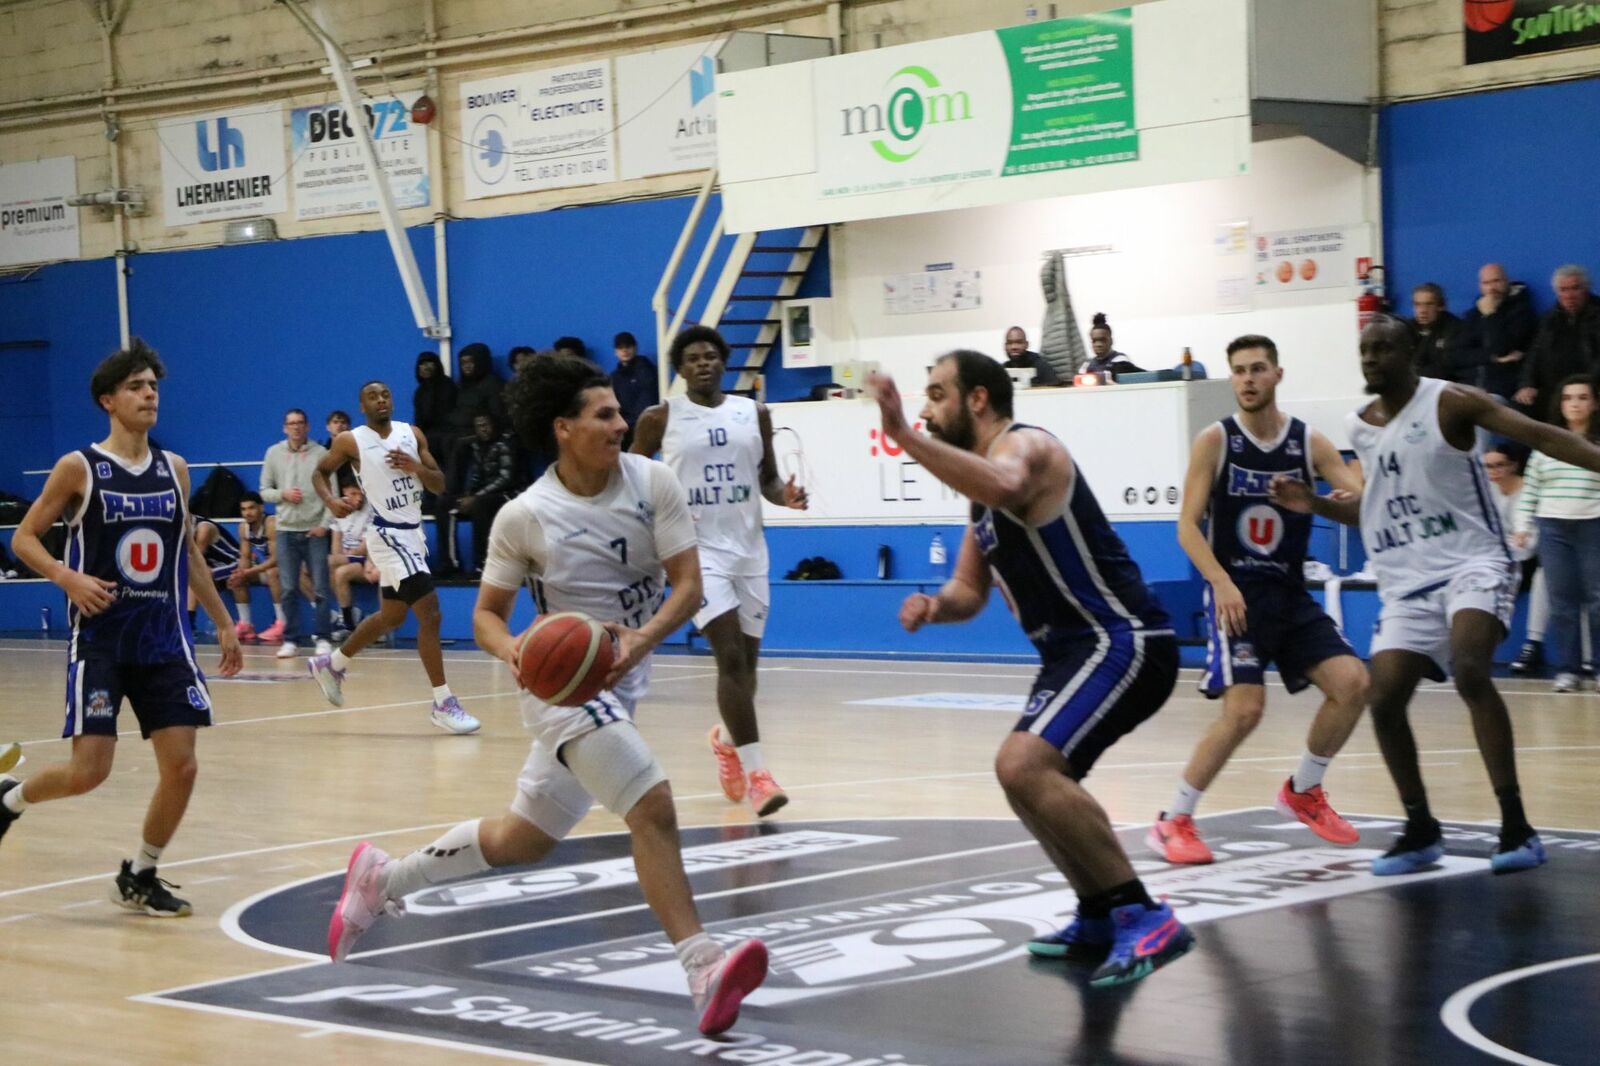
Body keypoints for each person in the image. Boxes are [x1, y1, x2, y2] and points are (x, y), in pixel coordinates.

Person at [323, 355, 769, 1036]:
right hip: (562, 688)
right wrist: (516, 652)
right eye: (604, 415)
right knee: (652, 806)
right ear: (564, 428)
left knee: (523, 839)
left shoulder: (653, 483)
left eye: (619, 412)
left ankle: (383, 880)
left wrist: (642, 640)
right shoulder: (525, 515)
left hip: (622, 676)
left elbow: (689, 584)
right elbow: (486, 617)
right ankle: (702, 965)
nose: (621, 424)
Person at [867, 351, 1193, 988]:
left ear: (978, 399)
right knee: (1020, 777)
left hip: (1121, 639)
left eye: (937, 394)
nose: (928, 408)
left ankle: (1144, 915)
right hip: (1073, 653)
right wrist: (934, 606)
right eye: (923, 397)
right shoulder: (978, 499)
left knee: (1024, 763)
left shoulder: (1028, 448)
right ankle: (1097, 910)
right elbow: (969, 590)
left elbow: (1008, 486)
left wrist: (902, 433)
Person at [1271, 314, 1600, 876]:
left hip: (1474, 562)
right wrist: (1316, 504)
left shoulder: (1451, 402)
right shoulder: (1360, 427)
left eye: (1382, 349)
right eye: (1364, 349)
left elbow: (1543, 436)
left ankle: (1517, 827)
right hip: (1407, 580)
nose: (1370, 358)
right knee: (1384, 697)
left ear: (1411, 355)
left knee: (1471, 669)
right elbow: (1372, 508)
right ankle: (1420, 829)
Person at [0, 339, 242, 915]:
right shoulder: (79, 467)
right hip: (102, 640)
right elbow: (24, 539)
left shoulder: (174, 469)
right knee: (89, 772)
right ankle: (9, 800)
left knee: (182, 766)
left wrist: (223, 622)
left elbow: (187, 552)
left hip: (163, 640)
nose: (149, 394)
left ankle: (141, 873)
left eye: (153, 385)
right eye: (136, 386)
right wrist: (67, 577)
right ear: (108, 400)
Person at [1153, 335, 1370, 863]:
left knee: (1353, 683)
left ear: (1277, 374)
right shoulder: (1216, 441)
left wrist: (1319, 500)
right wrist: (1220, 582)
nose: (1247, 379)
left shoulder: (1308, 442)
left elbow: (1362, 508)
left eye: (1257, 369)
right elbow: (1187, 527)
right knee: (1246, 710)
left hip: (1290, 592)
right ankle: (1173, 819)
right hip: (1238, 595)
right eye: (1239, 371)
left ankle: (1304, 790)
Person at [631, 325, 809, 817]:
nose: (703, 363)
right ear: (680, 368)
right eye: (693, 358)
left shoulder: (754, 413)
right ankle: (759, 777)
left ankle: (728, 744)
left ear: (723, 361)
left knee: (746, 672)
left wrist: (787, 496)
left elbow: (767, 480)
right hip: (695, 552)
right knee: (728, 658)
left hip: (750, 550)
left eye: (710, 355)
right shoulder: (659, 418)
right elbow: (631, 477)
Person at [307, 381, 481, 735]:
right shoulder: (351, 440)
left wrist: (416, 467)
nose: (381, 400)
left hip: (414, 534)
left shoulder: (411, 434)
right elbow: (320, 472)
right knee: (430, 613)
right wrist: (330, 501)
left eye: (385, 394)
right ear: (362, 405)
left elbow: (439, 484)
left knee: (392, 616)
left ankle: (332, 663)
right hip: (388, 534)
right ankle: (443, 702)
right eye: (372, 396)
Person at [1511, 376, 1600, 692]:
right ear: (1560, 404)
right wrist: (1522, 526)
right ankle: (1568, 670)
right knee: (1562, 603)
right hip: (1552, 528)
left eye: (1582, 397)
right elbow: (1530, 491)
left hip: (1593, 525)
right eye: (1568, 398)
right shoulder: (1547, 444)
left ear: (1595, 403)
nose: (1574, 404)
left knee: (1598, 600)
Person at [260, 408, 333, 661]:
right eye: (291, 423)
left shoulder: (321, 454)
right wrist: (283, 494)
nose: (296, 427)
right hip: (286, 530)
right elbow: (264, 491)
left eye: (300, 423)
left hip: (315, 530)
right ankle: (290, 639)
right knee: (289, 588)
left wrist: (324, 525)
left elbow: (331, 493)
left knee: (321, 587)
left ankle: (323, 637)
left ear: (307, 426)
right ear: (284, 428)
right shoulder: (273, 453)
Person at [1485, 444, 1549, 676]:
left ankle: (1532, 645)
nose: (1493, 471)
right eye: (1488, 466)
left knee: (1542, 577)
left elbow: (1529, 543)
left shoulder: (1528, 493)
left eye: (1499, 465)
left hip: (1530, 558)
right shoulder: (1486, 491)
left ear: (1513, 465)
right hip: (1500, 556)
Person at [437, 412, 515, 577]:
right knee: (445, 503)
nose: (483, 430)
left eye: (486, 425)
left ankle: (483, 564)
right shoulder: (476, 446)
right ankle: (451, 563)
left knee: (480, 505)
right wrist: (468, 495)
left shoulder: (505, 443)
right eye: (479, 426)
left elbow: (506, 478)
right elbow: (477, 476)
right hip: (483, 495)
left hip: (509, 495)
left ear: (494, 425)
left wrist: (476, 497)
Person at [1514, 264, 1600, 411]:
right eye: (1563, 290)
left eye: (1575, 288)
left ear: (1587, 289)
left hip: (1591, 386)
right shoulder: (1548, 319)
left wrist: (1592, 386)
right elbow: (1534, 354)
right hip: (1555, 389)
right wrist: (1527, 384)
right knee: (1522, 404)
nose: (1569, 295)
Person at [1451, 263, 1537, 402]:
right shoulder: (1473, 315)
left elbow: (1501, 348)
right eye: (1486, 283)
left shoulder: (1522, 313)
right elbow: (1457, 356)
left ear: (1507, 281)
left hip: (1500, 390)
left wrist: (1490, 315)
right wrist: (1492, 358)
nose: (1491, 288)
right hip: (1468, 387)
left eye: (1496, 281)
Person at [225, 491, 287, 643]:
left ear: (261, 507)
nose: (247, 513)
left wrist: (249, 571)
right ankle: (245, 625)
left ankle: (282, 624)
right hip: (269, 568)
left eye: (251, 508)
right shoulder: (243, 528)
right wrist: (241, 573)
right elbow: (245, 557)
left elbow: (276, 559)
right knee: (237, 577)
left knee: (273, 572)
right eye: (244, 509)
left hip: (289, 568)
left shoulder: (271, 523)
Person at [329, 482, 376, 642]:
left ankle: (347, 622)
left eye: (360, 494)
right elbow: (335, 544)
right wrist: (340, 556)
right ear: (344, 492)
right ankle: (348, 616)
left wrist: (346, 555)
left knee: (334, 566)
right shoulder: (339, 510)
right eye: (354, 494)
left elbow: (365, 547)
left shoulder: (370, 510)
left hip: (367, 559)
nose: (358, 498)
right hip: (346, 559)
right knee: (332, 568)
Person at [188, 513, 242, 633]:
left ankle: (189, 622)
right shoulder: (185, 531)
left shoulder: (204, 528)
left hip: (235, 563)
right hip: (217, 567)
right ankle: (187, 621)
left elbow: (196, 560)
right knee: (194, 573)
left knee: (196, 574)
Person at [610, 330, 660, 443]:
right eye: (620, 347)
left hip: (646, 426)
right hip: (624, 429)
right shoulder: (614, 378)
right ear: (615, 352)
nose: (624, 350)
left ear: (635, 348)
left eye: (628, 346)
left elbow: (648, 401)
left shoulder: (647, 371)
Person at [1407, 283, 1460, 379]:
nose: (1423, 310)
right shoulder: (1407, 328)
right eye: (1417, 304)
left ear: (1441, 306)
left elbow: (1446, 368)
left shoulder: (1455, 328)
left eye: (1429, 304)